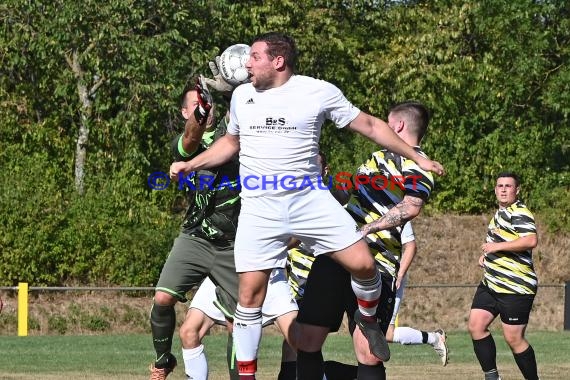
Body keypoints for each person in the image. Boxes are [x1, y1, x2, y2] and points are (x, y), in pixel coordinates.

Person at [169, 32, 444, 379]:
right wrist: (191, 164)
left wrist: (420, 159)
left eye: (254, 56)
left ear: (278, 61)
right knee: (248, 298)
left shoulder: (318, 91)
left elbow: (372, 126)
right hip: (260, 210)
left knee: (364, 266)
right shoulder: (242, 96)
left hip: (310, 202)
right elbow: (230, 143)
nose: (246, 63)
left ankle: (369, 319)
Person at [296, 100, 441, 379]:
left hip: (377, 262)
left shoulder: (419, 163)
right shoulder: (375, 159)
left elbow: (411, 206)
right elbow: (345, 193)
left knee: (368, 353)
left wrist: (367, 229)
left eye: (387, 123)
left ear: (397, 125)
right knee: (307, 340)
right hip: (336, 254)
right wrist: (316, 188)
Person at [149, 76, 241, 380]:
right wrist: (199, 119)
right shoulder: (186, 141)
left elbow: (239, 118)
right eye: (197, 105)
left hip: (235, 243)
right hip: (196, 236)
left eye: (208, 103)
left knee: (238, 322)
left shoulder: (233, 131)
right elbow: (190, 140)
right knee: (162, 300)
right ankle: (163, 359)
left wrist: (236, 87)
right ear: (185, 113)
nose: (206, 108)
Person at [468, 172, 539, 380]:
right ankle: (492, 377)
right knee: (476, 325)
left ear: (517, 190)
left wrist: (497, 247)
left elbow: (530, 240)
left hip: (515, 286)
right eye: (500, 186)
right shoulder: (499, 214)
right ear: (495, 189)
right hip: (491, 283)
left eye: (509, 186)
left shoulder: (520, 212)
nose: (504, 189)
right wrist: (486, 256)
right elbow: (498, 242)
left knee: (514, 338)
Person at [384, 222, 449, 367]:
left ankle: (434, 339)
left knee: (387, 333)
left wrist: (399, 274)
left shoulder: (400, 209)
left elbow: (411, 246)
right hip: (363, 277)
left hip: (389, 277)